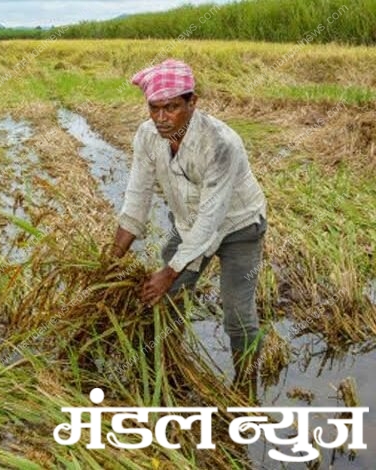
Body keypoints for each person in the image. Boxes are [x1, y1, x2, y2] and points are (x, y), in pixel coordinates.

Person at [111, 59, 267, 401]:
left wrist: (170, 270)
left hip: (239, 226)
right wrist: (112, 257)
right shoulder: (147, 136)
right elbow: (137, 197)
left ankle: (245, 387)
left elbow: (211, 221)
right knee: (165, 300)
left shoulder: (221, 144)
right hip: (189, 225)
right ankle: (168, 370)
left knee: (237, 312)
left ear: (192, 103)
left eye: (172, 107)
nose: (162, 117)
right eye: (155, 108)